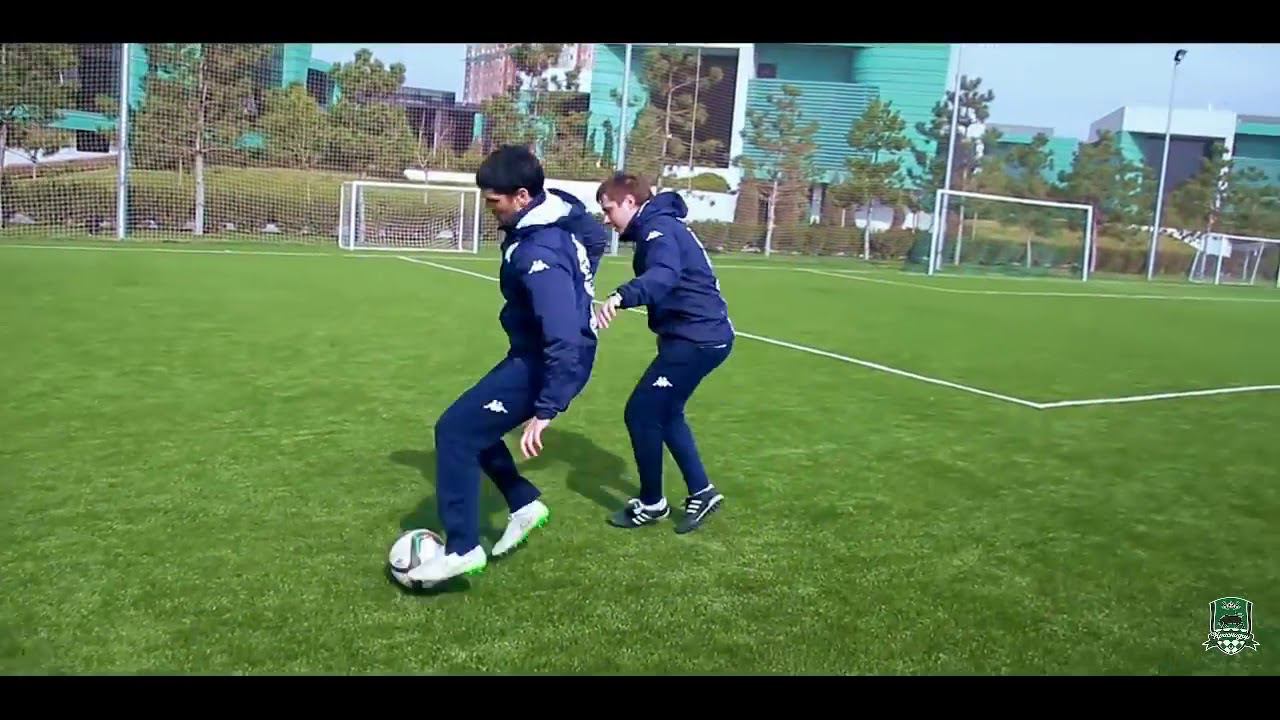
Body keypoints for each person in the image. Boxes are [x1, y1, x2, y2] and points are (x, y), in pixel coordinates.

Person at [407, 146, 602, 585]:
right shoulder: (558, 216)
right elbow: (593, 239)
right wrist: (583, 291)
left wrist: (548, 406)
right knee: (471, 427)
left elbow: (562, 334)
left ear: (522, 196)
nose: (489, 208)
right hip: (536, 355)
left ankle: (462, 549)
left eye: (494, 201)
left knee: (455, 432)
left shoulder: (539, 252)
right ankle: (523, 502)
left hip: (546, 363)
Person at [593, 173, 734, 534]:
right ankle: (702, 491)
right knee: (667, 413)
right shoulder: (658, 226)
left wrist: (622, 295)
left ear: (630, 202)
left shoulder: (659, 229)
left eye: (608, 209)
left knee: (641, 413)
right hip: (694, 336)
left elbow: (663, 275)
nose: (606, 219)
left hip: (697, 339)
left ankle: (652, 502)